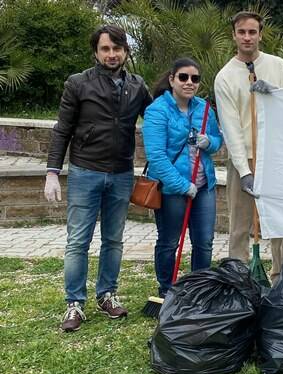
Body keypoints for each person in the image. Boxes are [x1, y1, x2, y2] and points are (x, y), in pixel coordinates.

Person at [44, 25, 152, 332]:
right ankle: (74, 303)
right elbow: (62, 129)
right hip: (84, 171)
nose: (112, 54)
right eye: (105, 49)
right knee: (78, 240)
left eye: (117, 49)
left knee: (114, 240)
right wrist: (52, 172)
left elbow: (158, 116)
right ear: (96, 52)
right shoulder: (78, 83)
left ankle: (107, 295)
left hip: (120, 173)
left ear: (126, 52)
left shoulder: (137, 85)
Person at [214, 11, 283, 284]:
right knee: (239, 225)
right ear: (234, 35)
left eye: (252, 32)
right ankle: (239, 280)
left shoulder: (278, 66)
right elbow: (231, 127)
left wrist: (274, 93)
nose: (247, 37)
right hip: (244, 160)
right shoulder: (225, 76)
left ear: (260, 34)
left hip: (275, 157)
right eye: (242, 32)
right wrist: (244, 169)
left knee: (280, 225)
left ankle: (281, 278)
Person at [142, 58, 222, 297]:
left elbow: (218, 141)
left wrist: (209, 143)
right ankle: (167, 289)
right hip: (173, 189)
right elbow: (156, 156)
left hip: (204, 185)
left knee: (204, 241)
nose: (189, 83)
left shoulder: (205, 109)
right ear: (172, 80)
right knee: (169, 242)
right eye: (183, 77)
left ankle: (199, 288)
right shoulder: (157, 110)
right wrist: (182, 185)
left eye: (195, 79)